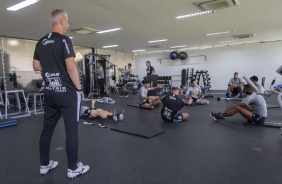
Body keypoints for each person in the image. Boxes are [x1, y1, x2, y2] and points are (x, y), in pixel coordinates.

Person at [33, 9, 89, 178]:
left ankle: (44, 164)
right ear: (62, 20)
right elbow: (71, 68)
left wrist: (51, 67)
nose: (69, 24)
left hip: (49, 92)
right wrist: (79, 89)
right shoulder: (65, 40)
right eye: (68, 20)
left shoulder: (41, 42)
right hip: (67, 94)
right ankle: (72, 168)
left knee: (46, 130)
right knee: (71, 131)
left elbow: (36, 66)